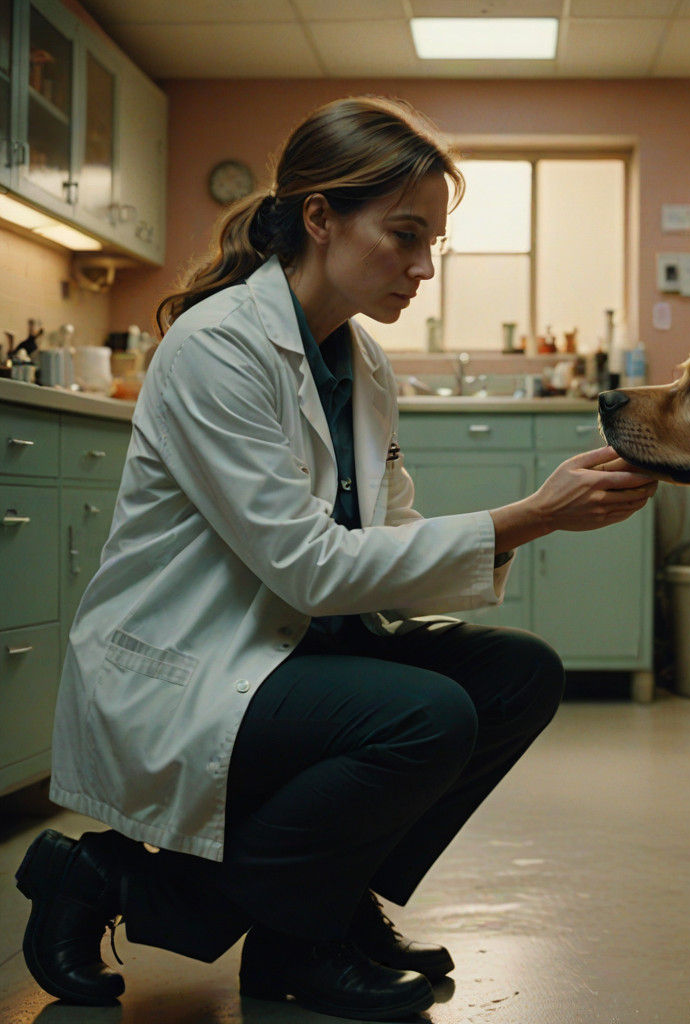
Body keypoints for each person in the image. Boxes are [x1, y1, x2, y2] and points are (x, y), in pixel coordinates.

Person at [16, 96, 657, 1021]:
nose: (424, 267)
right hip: (196, 664)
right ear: (320, 217)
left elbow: (387, 535)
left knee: (518, 676)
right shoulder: (219, 348)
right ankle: (234, 917)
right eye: (404, 235)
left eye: (433, 243)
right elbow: (310, 568)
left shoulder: (360, 362)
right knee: (426, 718)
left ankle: (302, 910)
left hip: (294, 651)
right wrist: (527, 517)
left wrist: (524, 523)